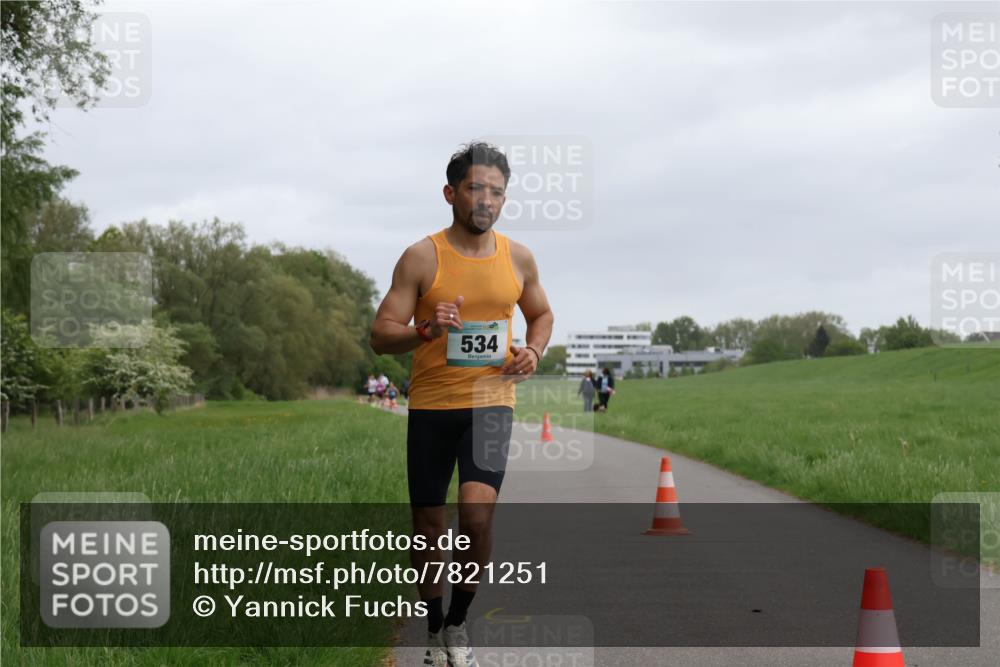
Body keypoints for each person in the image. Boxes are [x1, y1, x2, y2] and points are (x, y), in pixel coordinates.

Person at [370, 142, 554, 667]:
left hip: (492, 402)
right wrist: (425, 329)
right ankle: (432, 628)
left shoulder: (518, 258)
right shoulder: (421, 257)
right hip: (431, 404)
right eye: (476, 188)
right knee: (429, 524)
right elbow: (382, 335)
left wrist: (534, 352)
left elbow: (541, 314)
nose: (486, 200)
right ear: (451, 193)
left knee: (475, 512)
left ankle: (458, 623)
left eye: (497, 191)